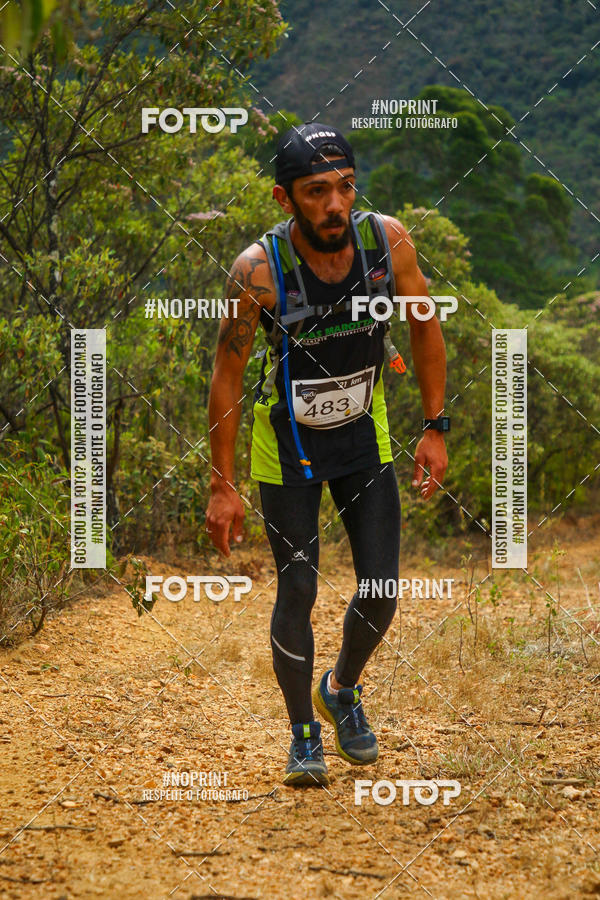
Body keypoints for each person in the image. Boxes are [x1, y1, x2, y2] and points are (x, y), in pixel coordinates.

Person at [206, 122, 448, 787]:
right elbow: (227, 375)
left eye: (344, 187)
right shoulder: (258, 271)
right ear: (284, 199)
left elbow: (425, 326)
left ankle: (340, 689)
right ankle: (303, 737)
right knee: (299, 586)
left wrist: (435, 426)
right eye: (316, 192)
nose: (335, 204)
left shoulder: (386, 242)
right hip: (287, 443)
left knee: (382, 589)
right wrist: (222, 483)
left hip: (363, 434)